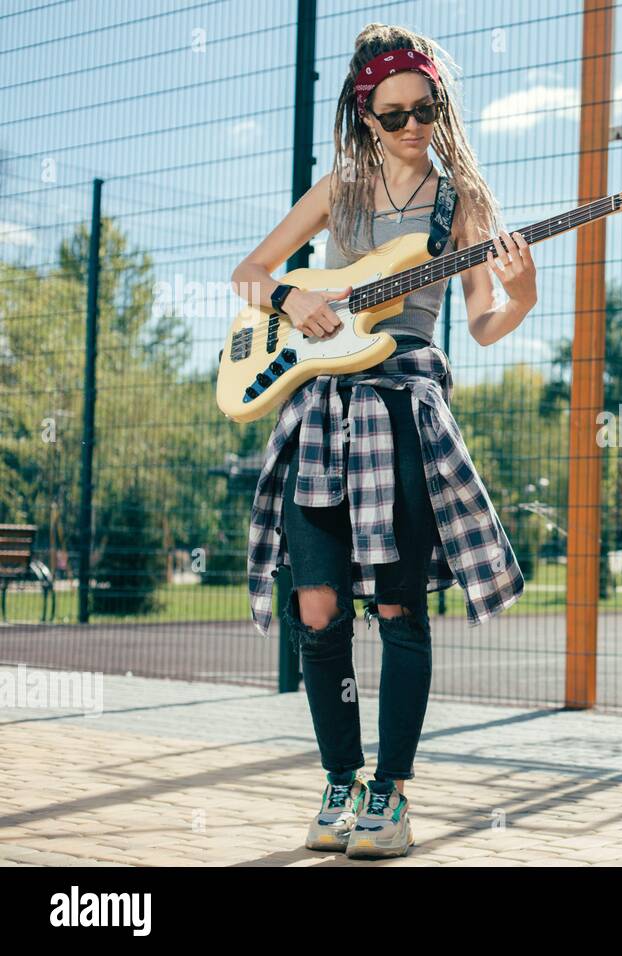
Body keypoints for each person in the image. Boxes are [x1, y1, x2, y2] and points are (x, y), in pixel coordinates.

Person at [229, 23, 536, 858]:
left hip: (402, 405)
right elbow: (251, 273)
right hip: (321, 403)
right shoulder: (342, 189)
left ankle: (391, 795)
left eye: (423, 109)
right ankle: (340, 779)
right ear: (366, 114)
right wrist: (291, 298)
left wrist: (525, 293)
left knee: (399, 605)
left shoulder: (460, 202)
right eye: (392, 112)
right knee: (317, 603)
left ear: (439, 106)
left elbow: (483, 318)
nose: (409, 125)